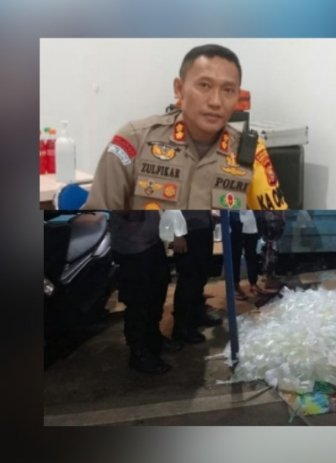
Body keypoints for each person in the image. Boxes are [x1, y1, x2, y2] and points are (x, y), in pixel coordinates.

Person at [83, 44, 287, 211]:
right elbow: (97, 222)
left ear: (237, 98)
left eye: (228, 90)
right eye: (204, 85)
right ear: (179, 89)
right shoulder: (134, 140)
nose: (216, 102)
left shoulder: (251, 152)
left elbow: (276, 222)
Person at [110, 211, 183, 374]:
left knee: (158, 294)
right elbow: (129, 213)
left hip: (153, 243)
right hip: (131, 250)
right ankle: (138, 353)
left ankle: (153, 338)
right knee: (138, 303)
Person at [168, 211, 223, 344]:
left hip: (202, 227)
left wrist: (209, 217)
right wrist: (177, 234)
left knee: (201, 276)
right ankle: (181, 327)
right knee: (188, 280)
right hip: (187, 231)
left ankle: (197, 314)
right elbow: (170, 205)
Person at [230, 210, 261, 300]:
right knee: (235, 255)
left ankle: (253, 283)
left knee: (252, 255)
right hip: (236, 219)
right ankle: (235, 285)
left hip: (252, 220)